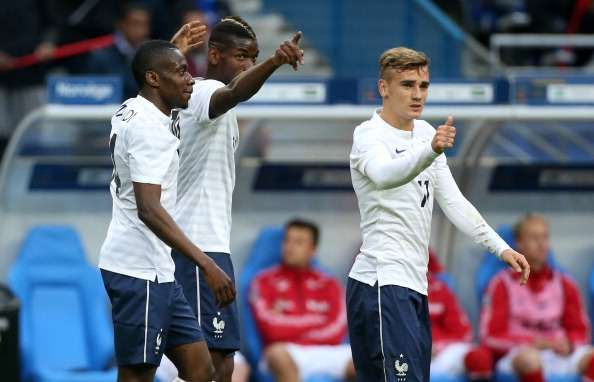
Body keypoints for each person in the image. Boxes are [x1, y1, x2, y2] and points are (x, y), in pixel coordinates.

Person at [346, 46, 531, 382]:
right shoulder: (368, 135)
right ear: (383, 88)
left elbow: (454, 203)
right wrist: (429, 151)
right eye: (407, 85)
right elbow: (385, 175)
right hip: (380, 283)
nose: (418, 95)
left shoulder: (426, 132)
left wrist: (500, 247)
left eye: (423, 85)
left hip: (414, 285)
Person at [169, 16, 304, 382]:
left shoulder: (197, 99)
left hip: (210, 245)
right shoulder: (202, 92)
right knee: (208, 366)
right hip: (198, 246)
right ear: (214, 55)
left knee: (222, 364)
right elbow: (233, 93)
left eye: (254, 57)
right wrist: (273, 62)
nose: (247, 65)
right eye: (242, 57)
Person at [98, 36, 235, 382]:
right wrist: (206, 263)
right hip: (137, 269)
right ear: (154, 79)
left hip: (161, 271)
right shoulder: (148, 130)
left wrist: (170, 51)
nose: (190, 78)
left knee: (202, 369)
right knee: (138, 372)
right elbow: (149, 209)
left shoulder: (134, 108)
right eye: (180, 71)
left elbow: (152, 67)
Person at [480, 213, 594, 382]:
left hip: (558, 352)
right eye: (534, 238)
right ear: (519, 244)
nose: (541, 244)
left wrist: (568, 343)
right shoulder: (501, 283)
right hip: (519, 353)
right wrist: (532, 342)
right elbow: (490, 336)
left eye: (544, 237)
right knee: (530, 359)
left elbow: (582, 331)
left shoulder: (565, 282)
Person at [249, 219, 356, 382]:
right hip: (287, 350)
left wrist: (291, 323)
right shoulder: (263, 281)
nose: (290, 247)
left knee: (365, 360)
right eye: (287, 240)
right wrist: (317, 321)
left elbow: (337, 329)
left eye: (298, 242)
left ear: (313, 249)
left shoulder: (329, 283)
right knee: (277, 355)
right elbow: (270, 329)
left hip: (329, 351)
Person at [427, 251, 493, 382]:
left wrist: (438, 346)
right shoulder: (385, 290)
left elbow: (463, 332)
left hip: (442, 350)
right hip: (406, 352)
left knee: (479, 358)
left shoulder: (439, 288)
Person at [85, 2, 152, 100]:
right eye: (135, 24)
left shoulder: (152, 55)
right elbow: (90, 92)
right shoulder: (101, 55)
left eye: (145, 24)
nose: (141, 31)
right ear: (122, 24)